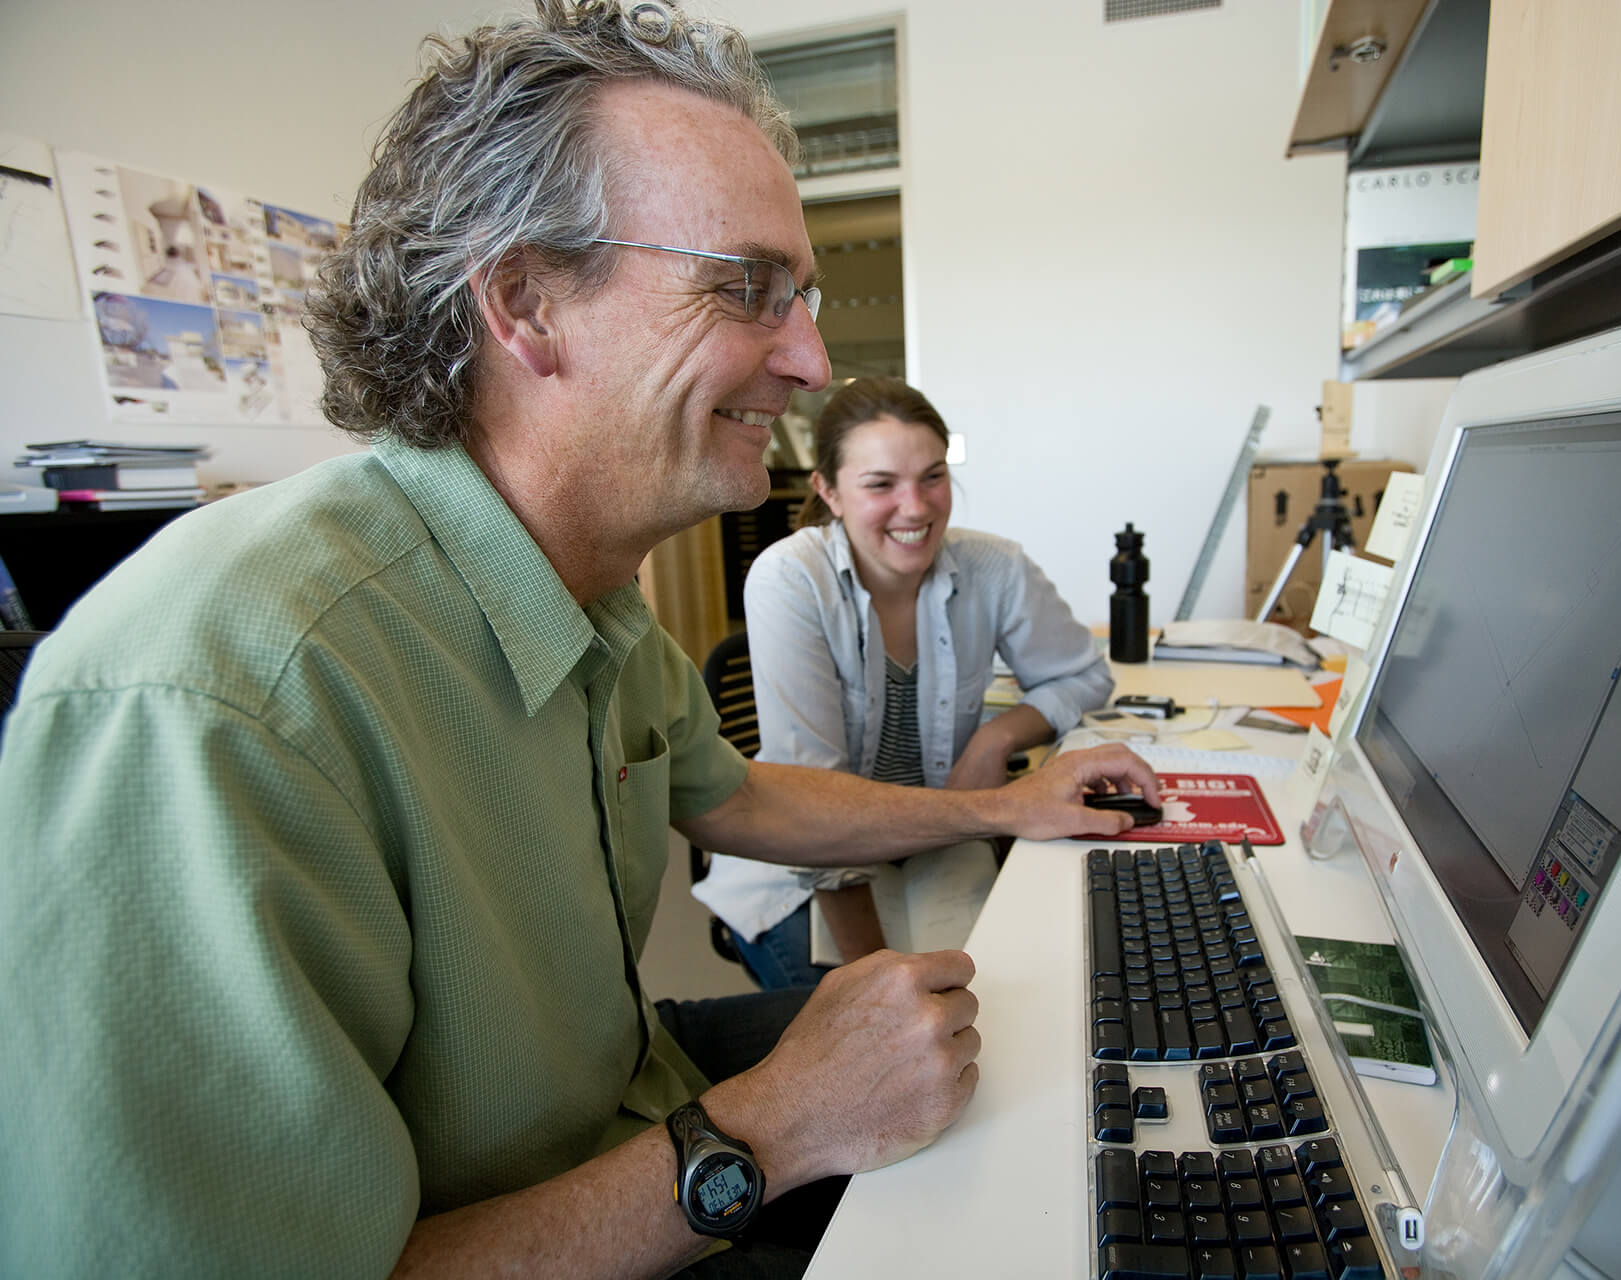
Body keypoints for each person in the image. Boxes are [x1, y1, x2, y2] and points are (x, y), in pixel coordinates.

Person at [0, 4, 1158, 1277]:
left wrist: (1006, 809)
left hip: (624, 1092)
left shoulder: (593, 591)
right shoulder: (215, 695)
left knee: (1064, 1077)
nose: (812, 358)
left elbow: (744, 796)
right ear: (527, 304)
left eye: (806, 297)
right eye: (747, 288)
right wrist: (773, 1125)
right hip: (551, 1199)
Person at [694, 377, 1113, 989]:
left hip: (938, 839)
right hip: (805, 867)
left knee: (1020, 996)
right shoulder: (789, 579)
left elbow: (1083, 672)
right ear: (828, 492)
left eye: (933, 477)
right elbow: (813, 807)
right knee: (877, 1051)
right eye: (880, 485)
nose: (916, 508)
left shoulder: (994, 567)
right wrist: (880, 983)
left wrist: (996, 738)